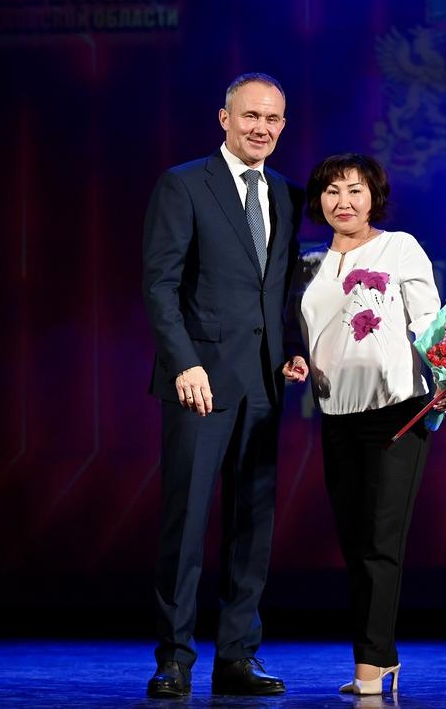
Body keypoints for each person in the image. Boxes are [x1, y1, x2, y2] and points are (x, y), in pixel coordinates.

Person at [142, 72, 303, 699]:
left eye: (272, 119)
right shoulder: (184, 184)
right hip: (199, 382)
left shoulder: (287, 193)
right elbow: (160, 285)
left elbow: (282, 290)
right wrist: (183, 362)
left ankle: (237, 655)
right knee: (185, 522)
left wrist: (293, 351)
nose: (261, 128)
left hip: (263, 383)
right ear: (224, 118)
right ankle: (174, 659)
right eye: (250, 116)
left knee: (252, 524)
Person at [282, 153, 446, 696]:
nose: (344, 201)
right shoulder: (307, 264)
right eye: (332, 191)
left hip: (398, 410)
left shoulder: (399, 247)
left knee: (381, 540)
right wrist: (294, 359)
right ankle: (382, 656)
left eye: (355, 190)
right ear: (319, 201)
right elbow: (300, 331)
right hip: (336, 413)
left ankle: (371, 667)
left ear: (374, 196)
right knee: (355, 543)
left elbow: (428, 319)